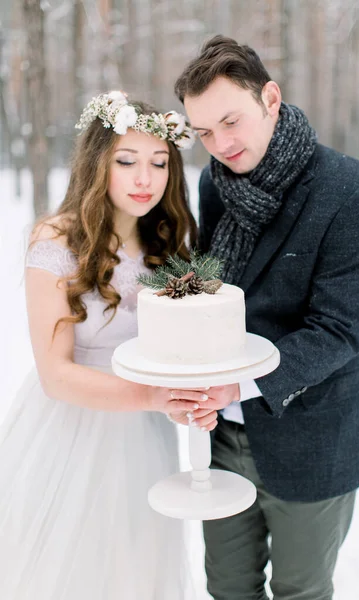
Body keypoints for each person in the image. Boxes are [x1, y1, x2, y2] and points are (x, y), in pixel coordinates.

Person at [172, 35, 359, 600]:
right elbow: (217, 294)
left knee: (300, 590)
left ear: (270, 97)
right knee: (227, 586)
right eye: (203, 133)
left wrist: (237, 384)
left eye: (231, 121)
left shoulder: (354, 194)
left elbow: (339, 331)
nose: (220, 144)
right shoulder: (213, 185)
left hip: (312, 436)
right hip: (222, 438)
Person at [0, 91, 217, 600]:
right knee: (68, 570)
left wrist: (191, 397)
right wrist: (150, 397)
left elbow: (179, 350)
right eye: (127, 161)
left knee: (136, 569)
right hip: (72, 431)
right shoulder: (55, 243)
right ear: (99, 163)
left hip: (146, 438)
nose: (146, 179)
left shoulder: (170, 246)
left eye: (159, 163)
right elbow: (55, 375)